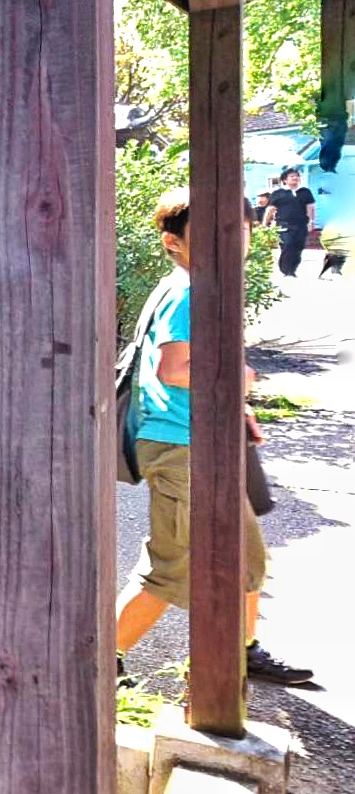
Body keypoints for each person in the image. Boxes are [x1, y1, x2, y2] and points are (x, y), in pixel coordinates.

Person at [116, 187, 312, 686]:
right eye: (211, 233)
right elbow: (174, 369)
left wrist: (236, 408)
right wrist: (235, 377)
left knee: (245, 556)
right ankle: (101, 661)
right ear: (173, 242)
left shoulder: (195, 284)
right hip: (180, 446)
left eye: (238, 231)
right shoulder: (189, 290)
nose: (230, 241)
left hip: (203, 440)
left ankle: (242, 651)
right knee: (171, 567)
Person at [263, 168, 316, 277]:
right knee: (287, 245)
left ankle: (292, 270)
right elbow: (270, 209)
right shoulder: (278, 193)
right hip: (284, 224)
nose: (295, 178)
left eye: (297, 176)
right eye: (292, 176)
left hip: (301, 225)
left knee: (298, 247)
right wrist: (265, 223)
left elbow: (310, 207)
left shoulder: (305, 192)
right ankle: (285, 269)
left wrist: (311, 221)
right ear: (285, 180)